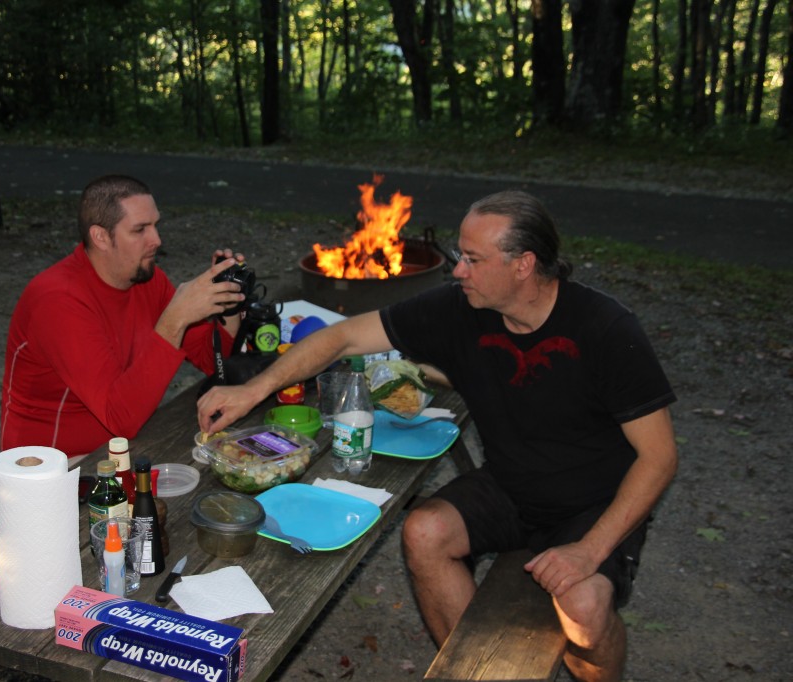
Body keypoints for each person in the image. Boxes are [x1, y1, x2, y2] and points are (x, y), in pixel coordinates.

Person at [196, 190, 677, 682]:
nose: (458, 271)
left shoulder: (605, 329)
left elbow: (659, 458)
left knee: (583, 605)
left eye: (472, 259)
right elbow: (342, 336)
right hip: (512, 486)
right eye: (457, 257)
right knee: (424, 531)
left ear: (523, 265)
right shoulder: (460, 310)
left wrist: (589, 551)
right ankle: (478, 672)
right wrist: (253, 389)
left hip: (594, 503)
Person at [1, 174, 248, 462]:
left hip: (122, 443)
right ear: (101, 237)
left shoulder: (146, 279)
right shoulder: (58, 300)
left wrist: (228, 300)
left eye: (155, 225)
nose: (156, 240)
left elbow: (212, 361)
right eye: (140, 229)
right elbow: (120, 418)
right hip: (55, 464)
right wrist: (175, 319)